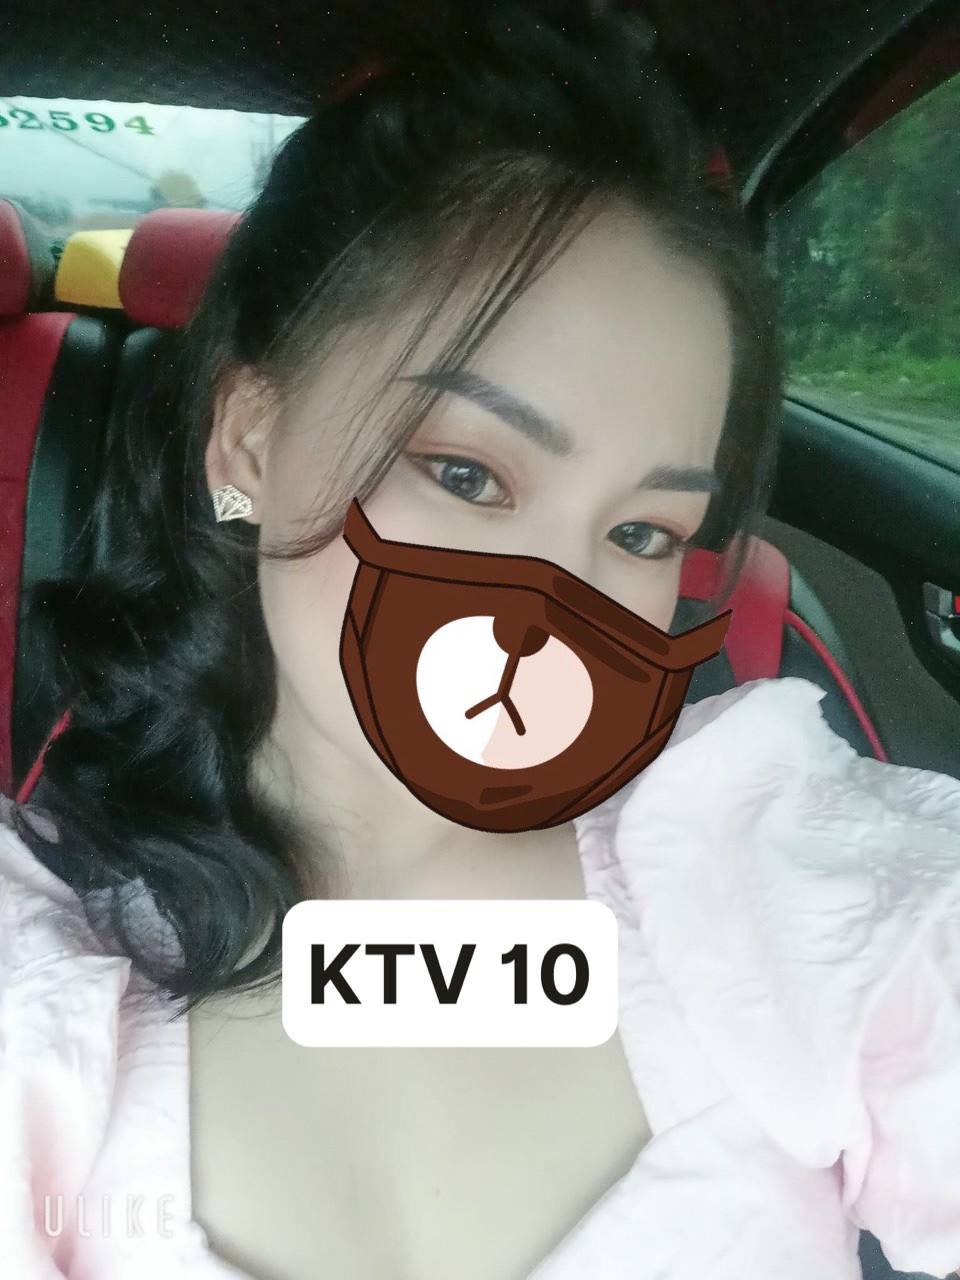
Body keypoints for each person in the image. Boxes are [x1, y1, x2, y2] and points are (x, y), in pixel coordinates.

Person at [2, 4, 959, 1279]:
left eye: (641, 532)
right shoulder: (44, 967)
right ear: (247, 442)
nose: (552, 613)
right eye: (466, 473)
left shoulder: (766, 865)